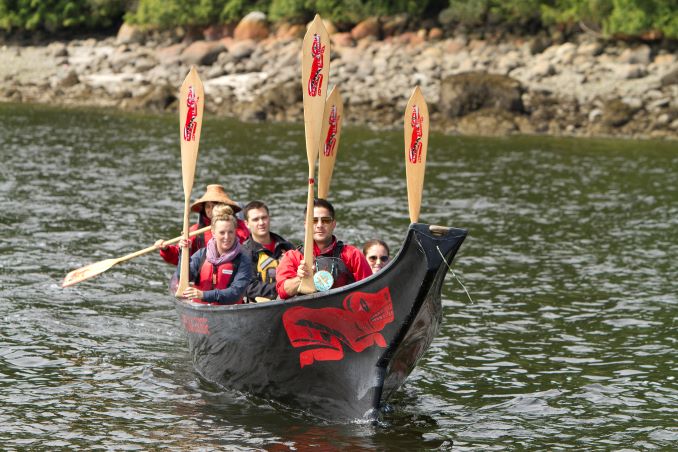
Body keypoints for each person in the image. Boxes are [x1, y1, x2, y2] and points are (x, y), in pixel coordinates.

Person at [275, 198, 372, 299]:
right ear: (306, 225)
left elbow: (370, 290)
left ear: (333, 224)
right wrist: (301, 278)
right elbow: (282, 291)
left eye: (325, 220)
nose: (320, 225)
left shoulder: (352, 255)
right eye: (314, 220)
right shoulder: (292, 257)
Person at [156, 184, 250, 265]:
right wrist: (166, 249)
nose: (210, 210)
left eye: (214, 206)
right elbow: (177, 258)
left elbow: (247, 246)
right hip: (204, 277)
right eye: (208, 206)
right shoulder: (195, 230)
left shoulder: (240, 227)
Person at [178, 206, 253, 304]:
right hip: (200, 310)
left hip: (230, 311)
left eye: (230, 232)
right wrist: (183, 253)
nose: (227, 237)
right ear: (213, 233)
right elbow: (183, 277)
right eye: (222, 232)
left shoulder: (243, 258)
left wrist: (203, 295)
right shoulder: (202, 254)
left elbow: (235, 293)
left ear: (235, 232)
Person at [241, 200, 295, 302]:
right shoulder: (243, 253)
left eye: (264, 217)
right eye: (256, 219)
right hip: (259, 308)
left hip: (290, 301)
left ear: (269, 218)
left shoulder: (287, 246)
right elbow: (249, 287)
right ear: (247, 224)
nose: (261, 222)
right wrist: (283, 288)